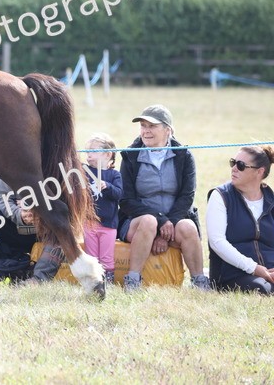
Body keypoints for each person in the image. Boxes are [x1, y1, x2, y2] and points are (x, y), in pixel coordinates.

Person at [117, 104, 209, 291]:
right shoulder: (130, 155)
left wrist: (169, 225)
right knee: (149, 221)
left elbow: (187, 196)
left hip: (174, 221)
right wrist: (161, 221)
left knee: (188, 226)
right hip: (139, 223)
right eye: (143, 126)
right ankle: (133, 280)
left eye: (152, 126)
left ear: (168, 130)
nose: (146, 131)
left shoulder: (184, 155)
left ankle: (199, 282)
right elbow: (126, 200)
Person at [0, 178, 64, 284]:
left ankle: (39, 280)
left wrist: (39, 209)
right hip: (13, 229)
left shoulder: (60, 170)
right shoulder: (10, 167)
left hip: (46, 233)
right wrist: (19, 214)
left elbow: (66, 204)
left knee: (63, 226)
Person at [206, 145, 274, 294]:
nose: (234, 168)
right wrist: (254, 268)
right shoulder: (220, 196)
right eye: (233, 163)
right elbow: (217, 242)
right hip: (233, 273)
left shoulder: (271, 199)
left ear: (259, 172)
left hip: (269, 269)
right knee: (262, 289)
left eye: (241, 165)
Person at [82, 133, 123, 284]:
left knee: (106, 257)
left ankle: (108, 282)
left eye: (93, 151)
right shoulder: (85, 171)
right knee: (91, 256)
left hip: (108, 225)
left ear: (107, 154)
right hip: (89, 223)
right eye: (87, 151)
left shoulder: (114, 175)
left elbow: (119, 194)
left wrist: (107, 186)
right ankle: (94, 282)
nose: (88, 155)